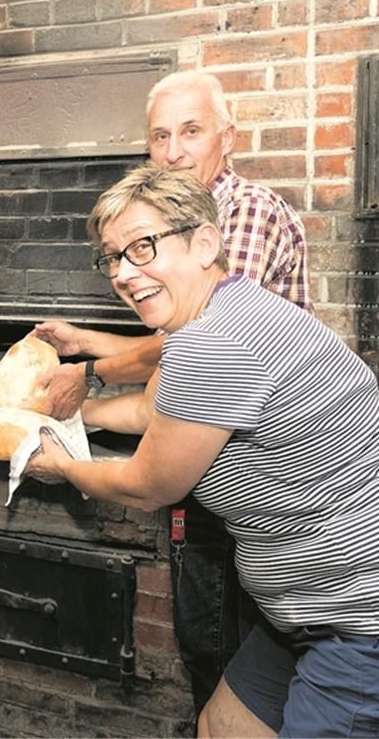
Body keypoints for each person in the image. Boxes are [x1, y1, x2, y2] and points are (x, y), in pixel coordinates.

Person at [25, 164, 379, 738]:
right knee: (221, 726)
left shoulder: (213, 343)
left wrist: (63, 464)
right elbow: (148, 411)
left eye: (142, 247)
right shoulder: (231, 315)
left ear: (206, 242)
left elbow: (148, 485)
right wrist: (60, 412)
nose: (123, 272)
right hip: (321, 616)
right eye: (112, 257)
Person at [32, 70, 310, 715]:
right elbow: (176, 354)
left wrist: (91, 377)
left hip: (258, 476)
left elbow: (200, 339)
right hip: (215, 450)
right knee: (216, 660)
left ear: (227, 139)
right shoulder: (165, 230)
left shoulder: (241, 214)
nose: (175, 150)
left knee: (219, 646)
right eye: (160, 136)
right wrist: (93, 351)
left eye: (191, 131)